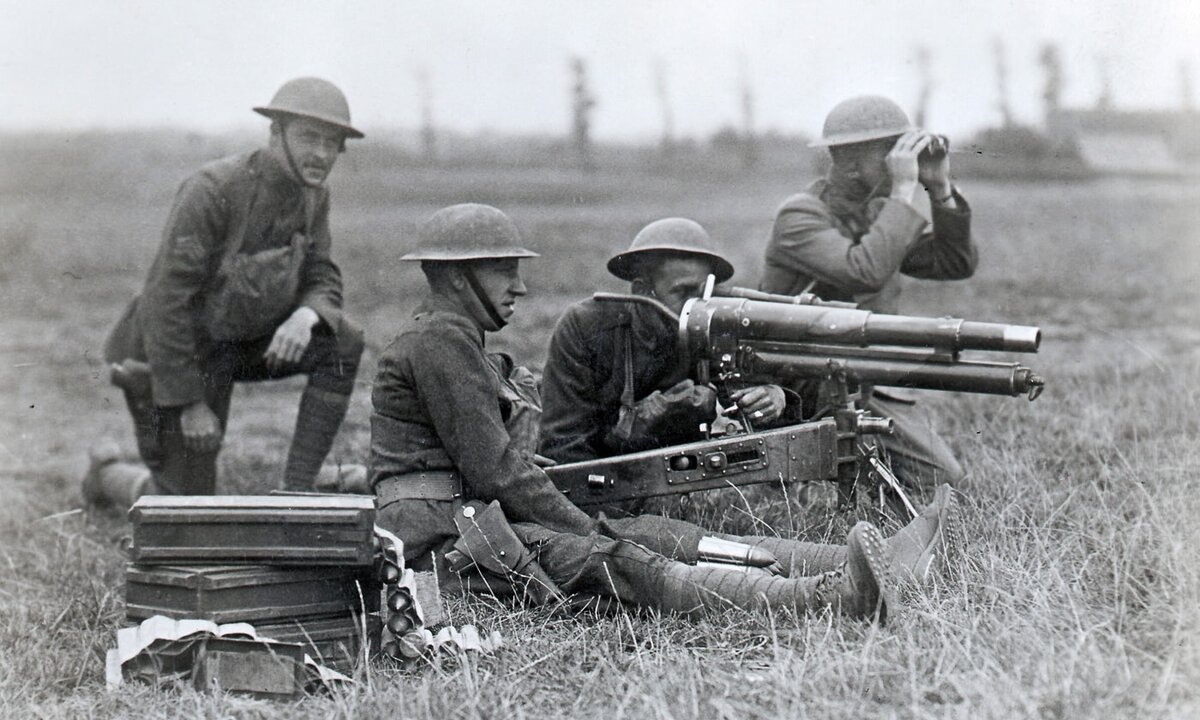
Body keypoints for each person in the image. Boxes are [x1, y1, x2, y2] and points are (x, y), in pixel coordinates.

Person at [368, 203, 925, 621]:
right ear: (458, 275)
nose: (520, 285)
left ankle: (863, 560)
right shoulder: (440, 343)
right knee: (621, 557)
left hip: (473, 519)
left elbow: (501, 469)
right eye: (503, 271)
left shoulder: (456, 342)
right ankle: (827, 595)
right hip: (441, 542)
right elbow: (498, 471)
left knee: (659, 532)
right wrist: (588, 528)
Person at [83, 77, 366, 509]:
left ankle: (296, 492)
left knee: (340, 339)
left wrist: (306, 314)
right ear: (276, 132)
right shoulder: (212, 190)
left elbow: (322, 272)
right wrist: (191, 403)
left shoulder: (314, 196)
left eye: (333, 143)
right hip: (176, 354)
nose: (322, 154)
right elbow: (166, 303)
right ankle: (105, 477)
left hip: (241, 343)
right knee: (184, 509)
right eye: (310, 138)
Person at [760, 95, 978, 493]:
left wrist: (940, 189)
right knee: (935, 479)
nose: (902, 164)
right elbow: (865, 271)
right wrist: (903, 192)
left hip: (861, 377)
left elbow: (953, 262)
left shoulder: (877, 213)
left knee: (941, 479)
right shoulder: (799, 217)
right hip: (800, 382)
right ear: (847, 163)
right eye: (891, 154)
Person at [539, 217, 797, 465]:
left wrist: (775, 398)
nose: (696, 307)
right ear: (641, 291)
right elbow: (564, 445)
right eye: (682, 293)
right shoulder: (585, 329)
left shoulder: (712, 332)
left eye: (703, 295)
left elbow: (752, 416)